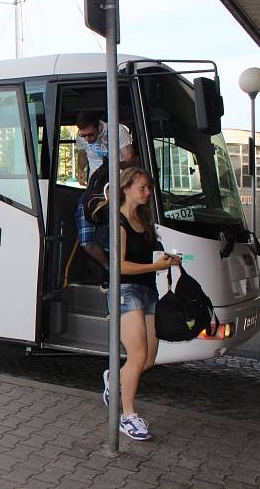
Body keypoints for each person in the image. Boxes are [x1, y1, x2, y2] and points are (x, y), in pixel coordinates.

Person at [101, 168, 180, 441]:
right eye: (143, 188)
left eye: (149, 188)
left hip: (148, 291)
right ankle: (127, 417)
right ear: (126, 188)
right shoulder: (118, 222)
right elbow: (119, 266)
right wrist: (154, 265)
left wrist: (166, 260)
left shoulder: (143, 221)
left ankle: (114, 378)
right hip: (125, 291)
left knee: (148, 358)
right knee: (137, 356)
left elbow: (149, 257)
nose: (148, 193)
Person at [74, 111, 137, 271]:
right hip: (94, 190)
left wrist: (113, 166)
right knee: (86, 239)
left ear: (99, 126)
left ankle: (118, 272)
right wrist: (81, 168)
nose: (87, 138)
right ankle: (108, 268)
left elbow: (130, 159)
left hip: (118, 189)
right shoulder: (81, 136)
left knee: (114, 238)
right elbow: (82, 152)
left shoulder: (117, 131)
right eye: (84, 135)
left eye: (90, 135)